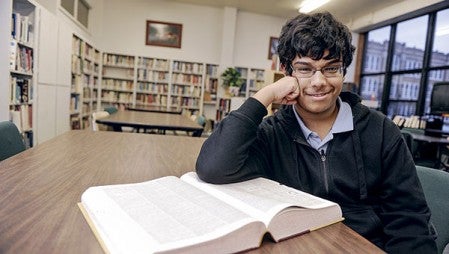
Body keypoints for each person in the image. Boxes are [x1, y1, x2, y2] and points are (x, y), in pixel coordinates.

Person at [196, 12, 437, 253]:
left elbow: (409, 219)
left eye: (331, 68)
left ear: (343, 70)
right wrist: (265, 96)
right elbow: (214, 167)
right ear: (286, 71)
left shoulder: (381, 130)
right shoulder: (271, 133)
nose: (319, 81)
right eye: (305, 69)